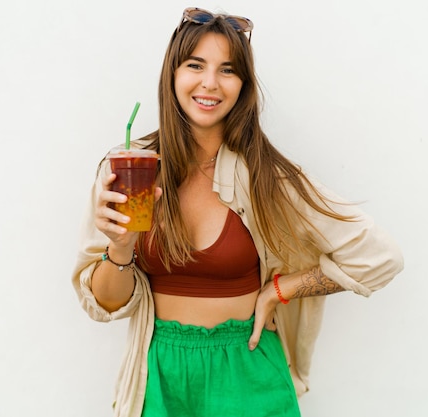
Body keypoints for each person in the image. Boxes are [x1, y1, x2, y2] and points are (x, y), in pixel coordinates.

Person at [72, 7, 404, 417]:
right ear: (172, 73)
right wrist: (120, 248)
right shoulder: (127, 170)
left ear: (243, 85)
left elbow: (379, 256)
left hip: (248, 372)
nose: (210, 83)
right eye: (196, 65)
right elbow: (104, 306)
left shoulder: (268, 177)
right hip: (159, 376)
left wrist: (281, 290)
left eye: (227, 70)